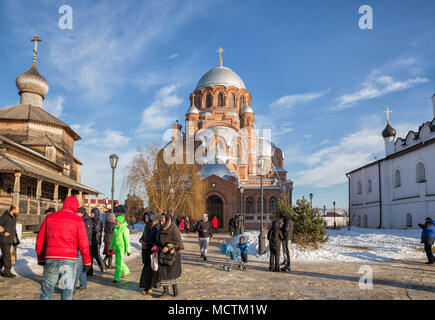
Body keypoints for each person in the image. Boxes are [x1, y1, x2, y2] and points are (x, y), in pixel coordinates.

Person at [36, 196, 91, 300]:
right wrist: (87, 262)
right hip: (69, 261)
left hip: (51, 258)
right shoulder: (78, 220)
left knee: (46, 293)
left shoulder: (50, 217)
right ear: (75, 207)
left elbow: (40, 240)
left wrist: (41, 257)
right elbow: (84, 243)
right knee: (66, 294)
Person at [157, 213, 184, 298]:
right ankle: (165, 291)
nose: (161, 223)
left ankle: (175, 291)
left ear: (166, 221)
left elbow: (179, 243)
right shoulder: (160, 229)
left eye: (162, 221)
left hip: (173, 255)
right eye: (160, 221)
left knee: (172, 273)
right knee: (163, 273)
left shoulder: (173, 228)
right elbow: (157, 240)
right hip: (163, 254)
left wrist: (169, 247)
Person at [139, 212, 159, 294]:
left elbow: (157, 240)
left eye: (147, 218)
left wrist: (150, 244)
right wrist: (142, 242)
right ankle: (147, 286)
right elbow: (143, 237)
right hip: (146, 250)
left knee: (152, 269)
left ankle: (150, 286)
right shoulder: (146, 227)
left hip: (152, 251)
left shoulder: (156, 228)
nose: (146, 219)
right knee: (146, 269)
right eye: (145, 218)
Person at [74, 207, 92, 294]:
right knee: (80, 267)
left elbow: (83, 235)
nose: (75, 214)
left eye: (77, 213)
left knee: (77, 268)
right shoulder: (83, 220)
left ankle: (72, 287)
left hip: (81, 247)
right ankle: (83, 285)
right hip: (80, 246)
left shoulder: (85, 222)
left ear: (81, 213)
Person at [109, 214, 131, 283]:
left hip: (121, 248)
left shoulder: (125, 229)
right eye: (116, 221)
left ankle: (117, 278)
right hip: (116, 248)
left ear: (121, 222)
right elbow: (113, 239)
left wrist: (128, 250)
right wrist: (110, 247)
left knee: (118, 263)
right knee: (119, 262)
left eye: (117, 221)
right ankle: (126, 270)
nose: (116, 222)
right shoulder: (116, 228)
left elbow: (127, 240)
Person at [0, 205, 20, 278]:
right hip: (3, 239)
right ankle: (7, 272)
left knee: (5, 255)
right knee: (7, 256)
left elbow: (13, 230)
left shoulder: (14, 217)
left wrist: (16, 240)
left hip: (10, 239)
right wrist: (3, 233)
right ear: (13, 210)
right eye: (17, 210)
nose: (19, 211)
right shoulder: (5, 217)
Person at [88, 207, 105, 276]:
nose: (91, 214)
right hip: (90, 240)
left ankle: (102, 266)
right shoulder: (90, 220)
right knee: (90, 256)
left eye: (92, 213)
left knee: (97, 255)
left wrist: (89, 230)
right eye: (91, 213)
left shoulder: (98, 221)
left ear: (96, 214)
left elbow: (96, 230)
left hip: (96, 241)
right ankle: (89, 271)